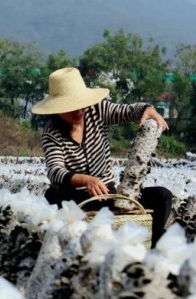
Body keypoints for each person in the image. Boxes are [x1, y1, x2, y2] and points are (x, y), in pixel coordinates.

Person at [32, 67, 172, 247]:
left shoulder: (96, 110)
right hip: (79, 201)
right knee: (53, 193)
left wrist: (148, 109)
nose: (78, 111)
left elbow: (127, 111)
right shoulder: (51, 132)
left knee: (162, 195)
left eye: (80, 104)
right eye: (70, 107)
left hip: (109, 195)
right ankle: (72, 244)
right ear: (57, 109)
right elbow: (55, 171)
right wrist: (85, 180)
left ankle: (154, 247)